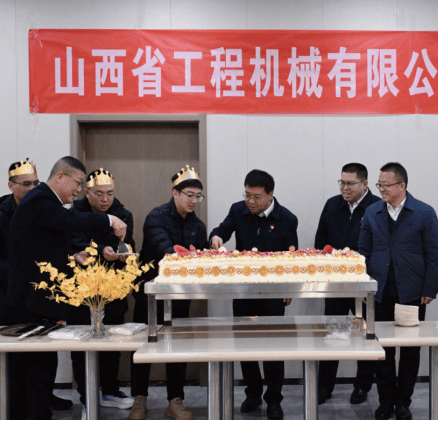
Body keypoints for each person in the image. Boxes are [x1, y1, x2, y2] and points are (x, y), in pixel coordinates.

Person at [6, 156, 127, 420]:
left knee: (42, 366)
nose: (78, 190)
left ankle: (37, 412)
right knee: (32, 369)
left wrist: (72, 257)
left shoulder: (45, 202)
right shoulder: (41, 200)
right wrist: (109, 220)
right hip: (29, 300)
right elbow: (70, 221)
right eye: (78, 183)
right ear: (60, 177)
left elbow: (40, 247)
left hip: (37, 299)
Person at [0, 159, 74, 415]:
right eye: (25, 184)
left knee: (45, 357)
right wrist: (20, 272)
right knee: (18, 362)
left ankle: (43, 403)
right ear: (11, 186)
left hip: (43, 299)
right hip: (12, 300)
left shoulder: (46, 212)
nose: (32, 188)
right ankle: (18, 410)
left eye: (35, 183)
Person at [210, 169, 298, 421]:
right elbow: (222, 229)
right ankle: (253, 393)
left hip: (273, 291)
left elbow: (291, 255)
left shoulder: (287, 218)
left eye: (256, 197)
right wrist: (216, 236)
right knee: (244, 344)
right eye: (247, 195)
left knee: (273, 347)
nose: (250, 201)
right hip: (244, 289)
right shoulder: (238, 210)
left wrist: (289, 287)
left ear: (270, 195)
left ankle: (274, 399)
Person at [358, 162, 438, 421]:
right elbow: (363, 252)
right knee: (382, 350)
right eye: (379, 185)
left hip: (412, 293)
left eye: (386, 185)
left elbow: (434, 253)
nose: (381, 189)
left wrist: (430, 288)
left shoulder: (424, 212)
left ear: (402, 185)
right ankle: (385, 402)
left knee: (410, 351)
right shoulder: (372, 212)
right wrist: (363, 287)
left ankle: (403, 402)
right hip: (379, 292)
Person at [129, 165, 208, 421]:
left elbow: (201, 257)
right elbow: (166, 251)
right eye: (189, 195)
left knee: (177, 349)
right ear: (175, 193)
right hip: (150, 294)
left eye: (198, 196)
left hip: (179, 297)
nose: (194, 201)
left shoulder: (198, 225)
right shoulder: (156, 217)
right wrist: (190, 257)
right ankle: (139, 399)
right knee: (144, 347)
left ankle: (175, 400)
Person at [314, 163, 381, 406]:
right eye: (342, 182)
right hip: (336, 284)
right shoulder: (332, 205)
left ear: (365, 184)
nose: (345, 188)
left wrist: (367, 281)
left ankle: (362, 386)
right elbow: (321, 241)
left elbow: (379, 247)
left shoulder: (376, 207)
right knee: (334, 333)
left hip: (364, 286)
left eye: (350, 183)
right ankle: (325, 385)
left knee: (366, 335)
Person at [69, 168, 135, 411]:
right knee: (81, 346)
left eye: (110, 193)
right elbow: (72, 243)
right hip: (81, 290)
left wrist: (121, 252)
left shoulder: (123, 214)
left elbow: (127, 243)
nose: (105, 199)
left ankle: (109, 391)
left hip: (112, 288)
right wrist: (97, 251)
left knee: (112, 344)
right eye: (99, 194)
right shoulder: (73, 213)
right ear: (86, 193)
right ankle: (87, 398)